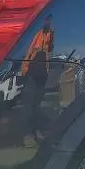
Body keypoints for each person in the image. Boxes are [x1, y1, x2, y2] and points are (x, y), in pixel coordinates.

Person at [20, 16, 55, 145]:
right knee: (29, 104)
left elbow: (50, 48)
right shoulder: (37, 34)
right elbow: (30, 50)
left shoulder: (50, 35)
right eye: (46, 20)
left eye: (49, 21)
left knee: (37, 103)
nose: (48, 22)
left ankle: (36, 130)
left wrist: (51, 35)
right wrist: (25, 66)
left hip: (42, 73)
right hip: (32, 71)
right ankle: (28, 134)